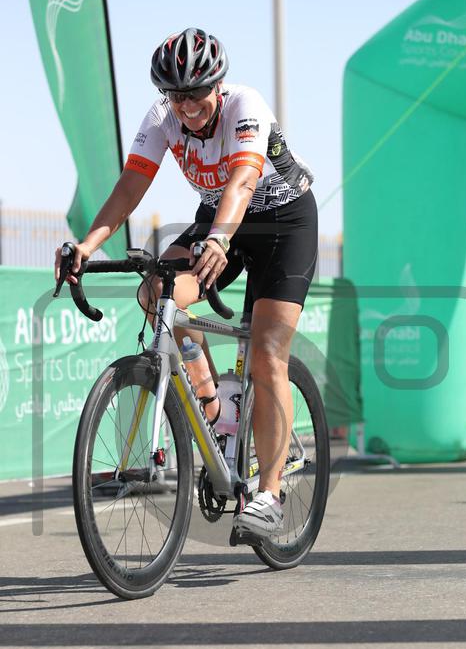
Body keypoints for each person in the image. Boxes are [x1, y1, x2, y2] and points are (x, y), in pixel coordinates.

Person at [55, 27, 318, 537]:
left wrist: (220, 239)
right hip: (220, 217)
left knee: (267, 353)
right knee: (158, 293)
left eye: (196, 93)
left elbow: (243, 180)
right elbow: (130, 186)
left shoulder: (245, 106)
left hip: (283, 223)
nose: (187, 105)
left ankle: (269, 495)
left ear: (217, 86)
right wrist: (86, 246)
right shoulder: (162, 118)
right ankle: (218, 409)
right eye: (176, 95)